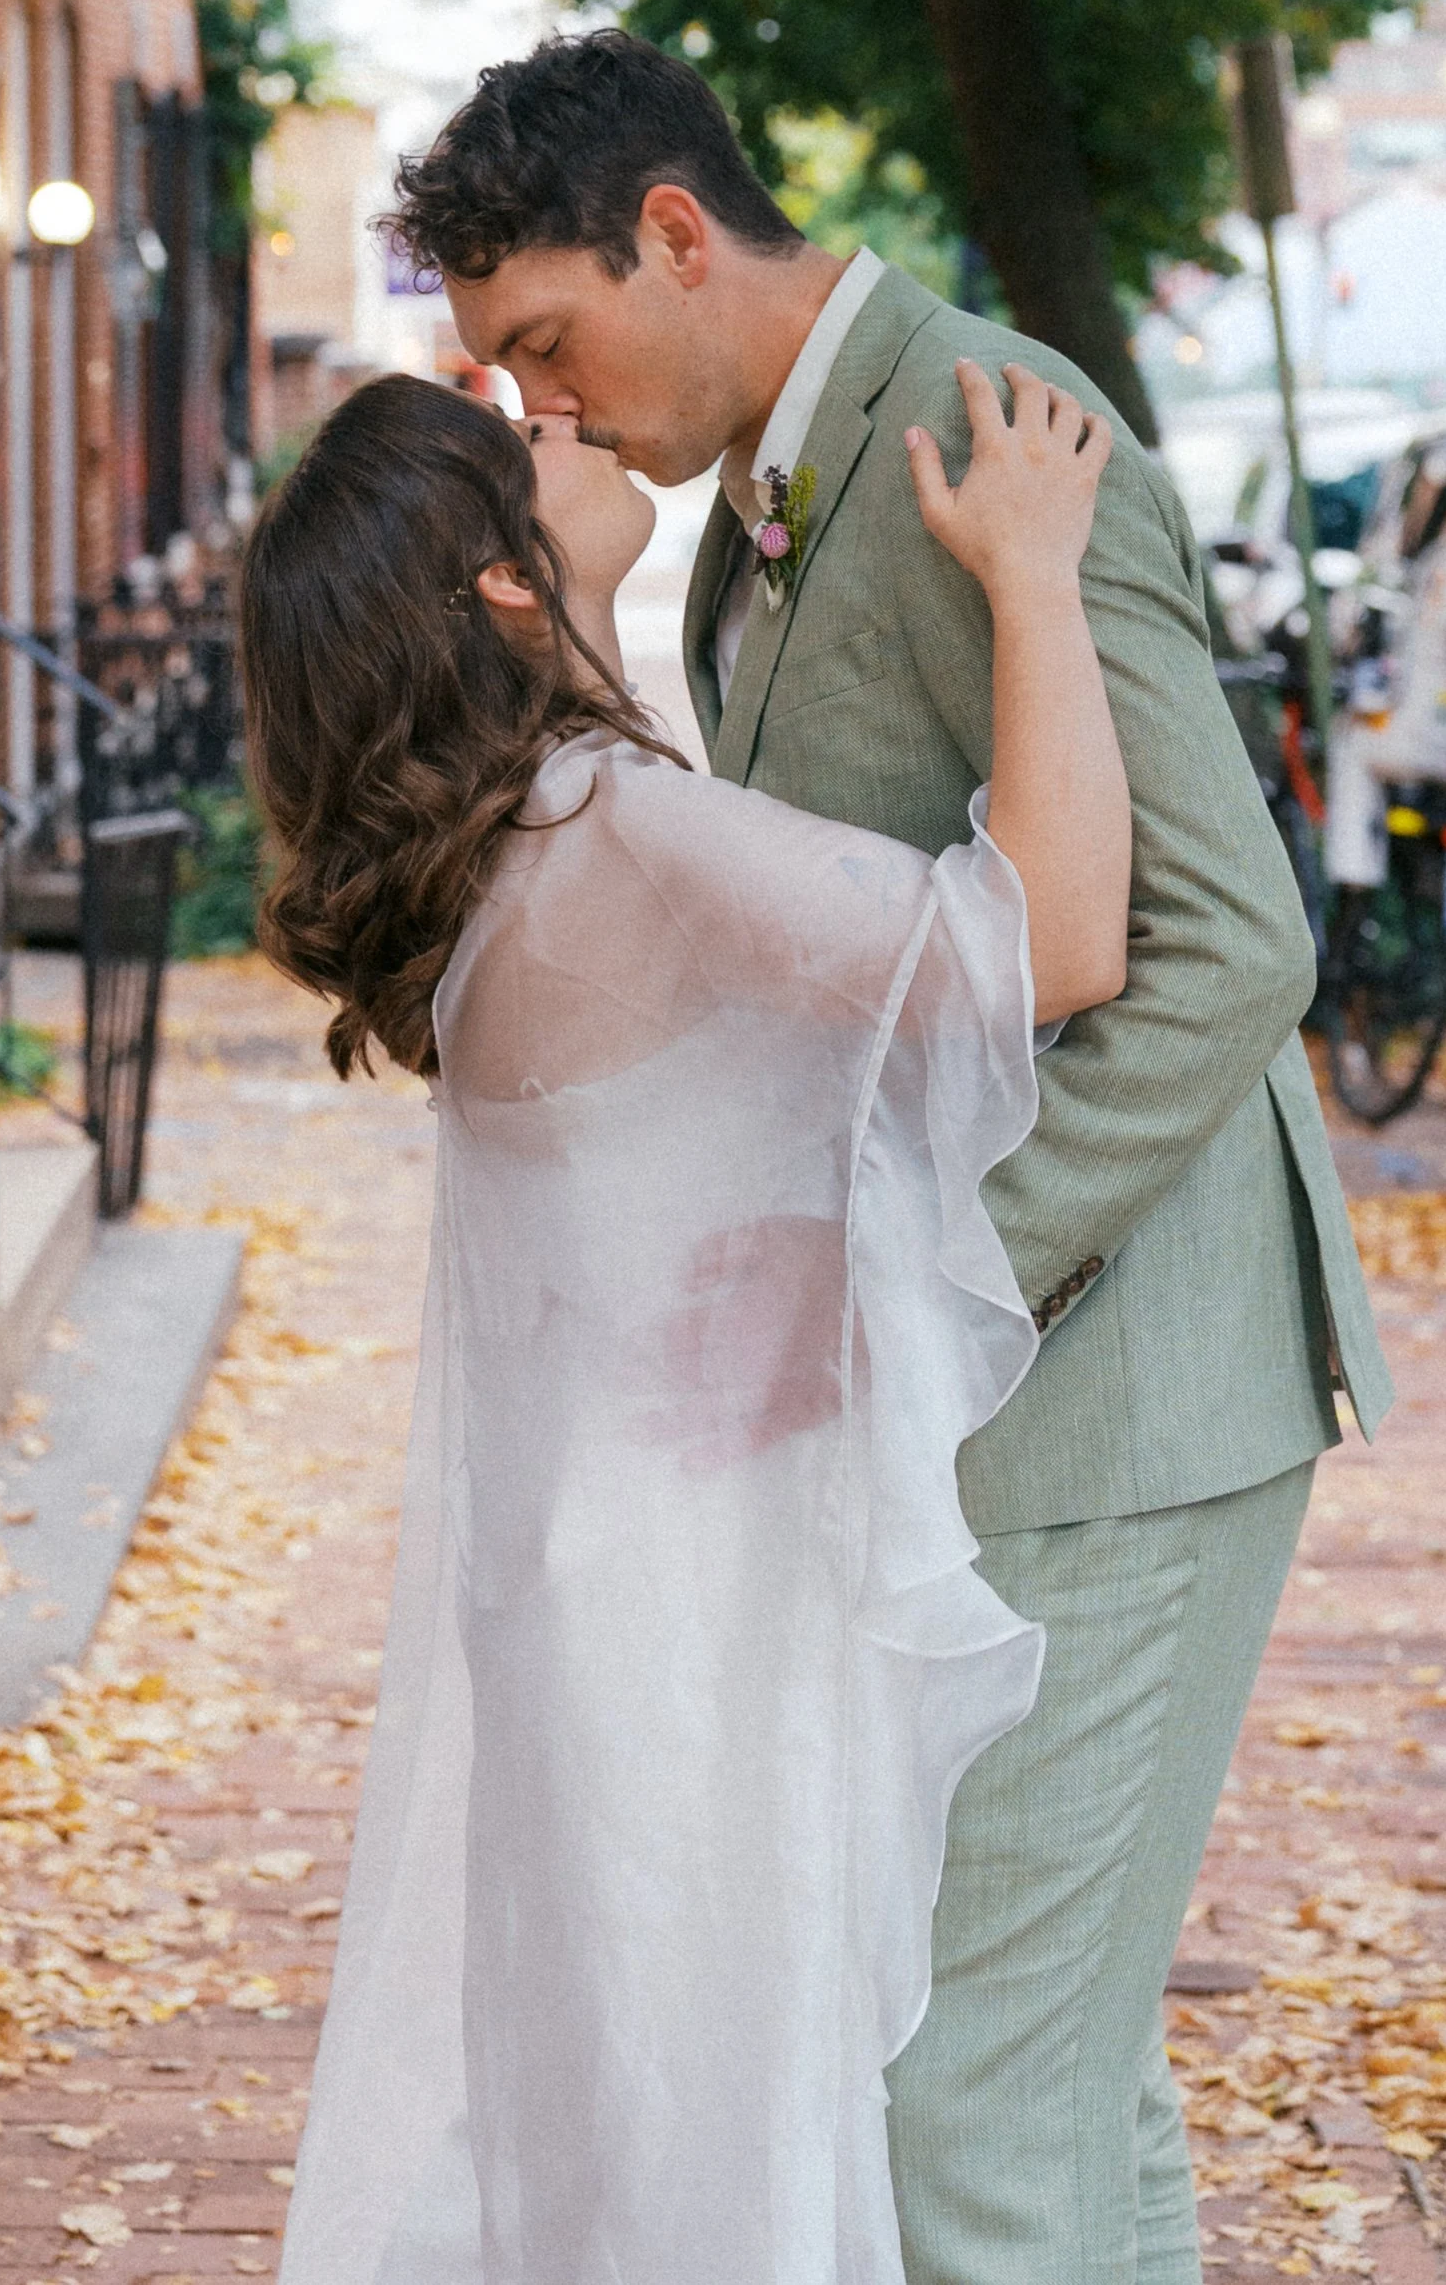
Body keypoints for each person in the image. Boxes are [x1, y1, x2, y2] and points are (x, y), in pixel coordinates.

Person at [389, 30, 1392, 2285]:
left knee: (961, 2102)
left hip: (1125, 1391)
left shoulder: (976, 429)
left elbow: (1230, 952)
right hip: (1007, 1411)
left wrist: (904, 1280)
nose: (534, 406)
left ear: (670, 232)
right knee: (1045, 2071)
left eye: (541, 343)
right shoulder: (772, 482)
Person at [247, 358, 1133, 2285]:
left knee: (639, 2122)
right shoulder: (609, 826)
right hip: (685, 1598)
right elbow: (1052, 940)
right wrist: (1040, 578)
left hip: (598, 1569)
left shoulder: (514, 858)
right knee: (714, 2141)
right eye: (525, 445)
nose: (560, 422)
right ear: (498, 579)